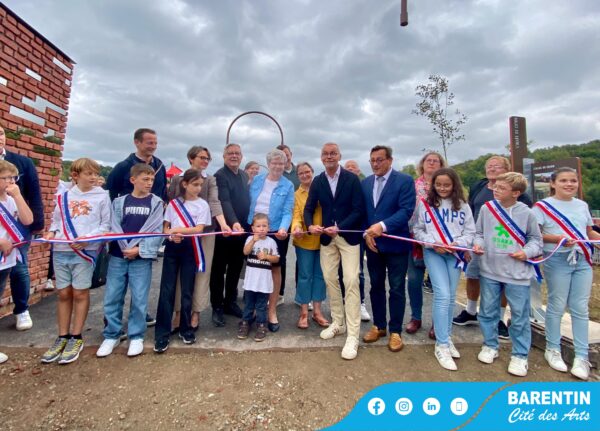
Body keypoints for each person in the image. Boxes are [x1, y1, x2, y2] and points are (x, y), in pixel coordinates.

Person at [453, 156, 532, 341]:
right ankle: (471, 311)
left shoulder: (521, 196)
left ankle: (499, 318)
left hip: (504, 243)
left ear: (507, 169)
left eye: (497, 166)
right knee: (472, 276)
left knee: (502, 281)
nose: (491, 169)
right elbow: (470, 212)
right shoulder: (479, 186)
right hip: (478, 241)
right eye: (489, 166)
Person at [41, 158, 111, 364]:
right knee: (63, 293)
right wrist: (51, 233)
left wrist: (88, 239)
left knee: (80, 292)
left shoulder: (102, 196)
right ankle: (62, 336)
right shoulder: (63, 196)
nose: (93, 177)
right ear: (75, 175)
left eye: (95, 173)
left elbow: (105, 225)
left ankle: (76, 336)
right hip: (61, 249)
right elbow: (56, 222)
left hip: (85, 252)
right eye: (88, 173)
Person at [533, 167, 600, 380]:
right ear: (553, 184)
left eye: (573, 180)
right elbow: (535, 234)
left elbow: (588, 231)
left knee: (580, 307)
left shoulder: (582, 205)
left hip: (582, 259)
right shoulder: (542, 206)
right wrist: (557, 239)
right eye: (563, 180)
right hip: (557, 259)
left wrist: (597, 240)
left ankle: (581, 355)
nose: (569, 184)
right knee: (557, 304)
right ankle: (552, 348)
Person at [473, 172, 542, 377]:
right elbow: (479, 233)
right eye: (495, 186)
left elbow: (536, 240)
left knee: (519, 315)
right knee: (487, 310)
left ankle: (520, 355)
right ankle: (490, 345)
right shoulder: (487, 209)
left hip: (517, 273)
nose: (495, 190)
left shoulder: (527, 213)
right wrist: (478, 244)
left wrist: (526, 252)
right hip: (490, 269)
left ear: (516, 193)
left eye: (502, 188)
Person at [304, 142, 365, 360]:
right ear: (321, 158)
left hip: (348, 236)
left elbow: (359, 209)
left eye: (333, 153)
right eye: (325, 154)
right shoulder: (318, 181)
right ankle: (338, 322)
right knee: (330, 279)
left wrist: (340, 227)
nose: (329, 157)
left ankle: (353, 335)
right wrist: (310, 225)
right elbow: (309, 208)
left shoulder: (351, 179)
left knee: (351, 281)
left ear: (339, 156)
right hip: (326, 238)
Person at [96, 164, 164, 358]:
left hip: (140, 259)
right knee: (113, 296)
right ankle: (112, 334)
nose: (149, 183)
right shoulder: (119, 202)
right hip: (118, 256)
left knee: (139, 298)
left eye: (152, 180)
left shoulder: (156, 203)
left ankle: (136, 335)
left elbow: (157, 230)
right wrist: (121, 244)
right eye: (145, 179)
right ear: (133, 180)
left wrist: (140, 249)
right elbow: (113, 225)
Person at [413, 168, 475, 370]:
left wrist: (459, 244)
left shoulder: (463, 205)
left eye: (446, 185)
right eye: (438, 184)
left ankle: (447, 337)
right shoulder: (425, 204)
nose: (442, 188)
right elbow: (417, 230)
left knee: (450, 297)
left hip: (454, 254)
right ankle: (440, 344)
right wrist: (432, 242)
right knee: (442, 294)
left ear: (454, 185)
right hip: (434, 253)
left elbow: (470, 232)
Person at [106, 128, 167, 327]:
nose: (153, 146)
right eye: (149, 142)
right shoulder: (123, 166)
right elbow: (110, 193)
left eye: (155, 142)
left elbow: (162, 193)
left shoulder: (160, 165)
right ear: (137, 142)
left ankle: (138, 317)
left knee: (140, 287)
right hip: (124, 231)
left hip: (147, 230)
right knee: (116, 287)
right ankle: (111, 323)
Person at [169, 146, 231, 332]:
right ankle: (179, 313)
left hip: (204, 233)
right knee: (179, 275)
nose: (205, 161)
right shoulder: (177, 179)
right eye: (201, 157)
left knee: (202, 273)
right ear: (191, 158)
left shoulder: (210, 180)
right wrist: (171, 231)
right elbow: (172, 203)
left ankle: (195, 312)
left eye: (207, 158)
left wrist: (223, 224)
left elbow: (214, 202)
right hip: (181, 234)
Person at [361, 146, 415, 353]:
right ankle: (379, 326)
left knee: (397, 288)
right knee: (375, 286)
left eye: (380, 160)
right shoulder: (366, 183)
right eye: (372, 160)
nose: (375, 164)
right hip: (373, 246)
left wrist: (382, 226)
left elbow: (406, 211)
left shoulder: (404, 181)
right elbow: (363, 212)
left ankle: (395, 331)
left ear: (390, 160)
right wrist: (366, 234)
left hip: (396, 245)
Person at [154, 169, 211, 353]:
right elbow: (165, 227)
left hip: (190, 248)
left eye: (200, 185)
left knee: (187, 290)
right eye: (195, 184)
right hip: (173, 247)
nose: (198, 188)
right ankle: (161, 333)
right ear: (185, 184)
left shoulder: (203, 205)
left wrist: (176, 231)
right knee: (167, 290)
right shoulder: (173, 204)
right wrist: (171, 235)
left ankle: (186, 329)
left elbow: (199, 229)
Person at [0, 125, 44, 331]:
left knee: (18, 271)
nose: (12, 181)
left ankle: (22, 309)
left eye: (1, 133)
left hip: (15, 233)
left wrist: (37, 224)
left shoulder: (21, 162)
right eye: (7, 178)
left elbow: (34, 194)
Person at [247, 149, 294, 332]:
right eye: (274, 163)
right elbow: (248, 202)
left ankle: (271, 311)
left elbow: (288, 211)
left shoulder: (288, 185)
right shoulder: (256, 180)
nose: (278, 166)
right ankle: (253, 309)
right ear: (268, 164)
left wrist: (283, 228)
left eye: (281, 163)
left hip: (275, 231)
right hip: (254, 227)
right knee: (254, 267)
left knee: (275, 269)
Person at [407, 151, 446, 338]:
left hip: (439, 241)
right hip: (415, 238)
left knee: (438, 283)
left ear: (441, 165)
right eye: (428, 160)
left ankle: (437, 322)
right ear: (422, 164)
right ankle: (416, 317)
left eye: (435, 161)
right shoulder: (412, 185)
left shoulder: (445, 186)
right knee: (414, 280)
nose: (431, 163)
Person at [210, 143, 250, 326]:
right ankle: (217, 306)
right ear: (224, 156)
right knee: (218, 270)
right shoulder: (220, 175)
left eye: (237, 153)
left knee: (235, 268)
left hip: (241, 231)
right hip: (225, 230)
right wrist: (233, 222)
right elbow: (224, 201)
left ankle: (230, 302)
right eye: (230, 153)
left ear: (241, 156)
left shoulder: (243, 175)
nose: (234, 156)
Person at [0, 160, 34, 363]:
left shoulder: (11, 200)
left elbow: (28, 220)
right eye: (6, 178)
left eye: (14, 178)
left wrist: (18, 196)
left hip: (6, 260)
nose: (12, 182)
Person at [291, 162, 329, 329]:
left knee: (320, 276)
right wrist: (296, 228)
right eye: (301, 173)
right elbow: (296, 215)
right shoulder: (296, 195)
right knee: (305, 276)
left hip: (323, 240)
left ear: (312, 172)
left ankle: (318, 312)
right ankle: (304, 312)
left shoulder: (322, 189)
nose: (305, 175)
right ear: (298, 176)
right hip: (304, 241)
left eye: (307, 171)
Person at [238, 213, 280, 342]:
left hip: (264, 283)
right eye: (258, 226)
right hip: (251, 282)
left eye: (264, 226)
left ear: (269, 228)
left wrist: (267, 257)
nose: (261, 229)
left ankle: (262, 325)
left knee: (261, 306)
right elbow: (245, 251)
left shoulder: (271, 242)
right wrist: (253, 241)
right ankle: (245, 323)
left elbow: (276, 258)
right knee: (248, 304)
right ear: (253, 228)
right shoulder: (250, 239)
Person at [342, 159, 370, 322]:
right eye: (347, 167)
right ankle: (343, 303)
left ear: (359, 171)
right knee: (341, 272)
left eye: (353, 167)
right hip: (339, 234)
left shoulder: (363, 187)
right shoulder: (339, 187)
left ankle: (360, 303)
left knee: (357, 272)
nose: (350, 169)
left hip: (357, 235)